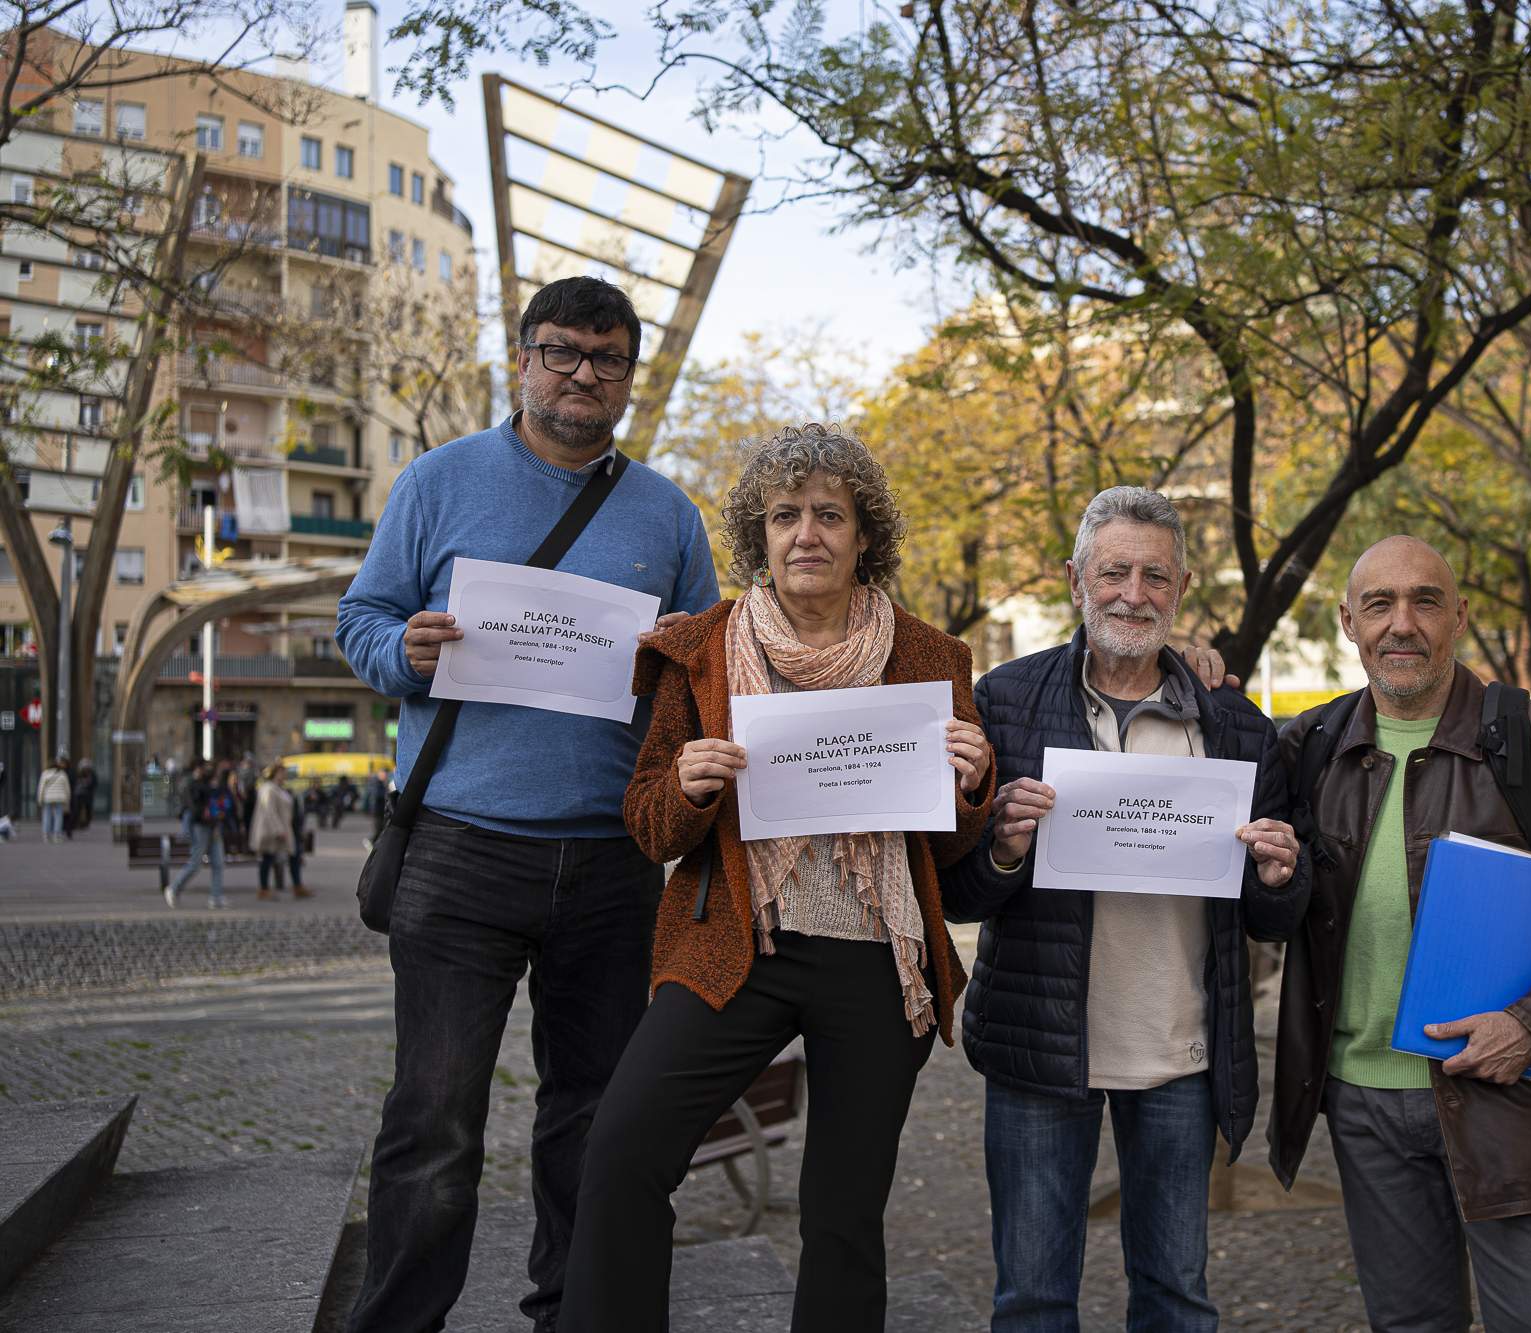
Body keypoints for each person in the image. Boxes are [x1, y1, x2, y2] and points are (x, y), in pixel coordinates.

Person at [335, 275, 719, 1333]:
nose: (581, 374)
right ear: (521, 359)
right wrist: (401, 650)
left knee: (594, 1116)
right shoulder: (439, 479)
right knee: (435, 1118)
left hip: (612, 858)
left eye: (606, 358)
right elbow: (360, 616)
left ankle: (572, 1315)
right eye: (560, 352)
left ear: (629, 378)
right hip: (460, 848)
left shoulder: (666, 512)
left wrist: (678, 678)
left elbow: (708, 667)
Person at [558, 423, 995, 1332]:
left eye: (830, 515)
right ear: (759, 536)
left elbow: (949, 860)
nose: (808, 534)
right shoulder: (702, 646)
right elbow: (646, 821)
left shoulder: (931, 658)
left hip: (881, 964)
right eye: (786, 515)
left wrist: (973, 781)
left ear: (863, 533)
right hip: (735, 945)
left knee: (843, 1218)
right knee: (623, 1152)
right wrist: (680, 788)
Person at [1269, 535, 1531, 1333]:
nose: (1402, 623)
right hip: (1365, 1108)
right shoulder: (1309, 748)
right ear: (1348, 622)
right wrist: (1201, 669)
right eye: (1379, 604)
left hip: (1512, 1109)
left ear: (1459, 615)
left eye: (1425, 600)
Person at [938, 485, 1307, 1332]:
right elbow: (956, 889)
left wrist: (1281, 876)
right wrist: (1002, 847)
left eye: (1154, 575)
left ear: (1181, 588)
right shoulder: (1005, 700)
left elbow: (1271, 920)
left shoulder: (1238, 727)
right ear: (1076, 580)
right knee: (1031, 1300)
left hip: (1180, 1053)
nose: (1132, 593)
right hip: (1039, 1052)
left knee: (1178, 1299)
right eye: (1113, 571)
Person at [166, 760, 229, 908]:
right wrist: (205, 812)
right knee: (195, 863)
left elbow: (222, 799)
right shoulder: (192, 784)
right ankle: (174, 889)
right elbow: (193, 807)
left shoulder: (212, 784)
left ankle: (216, 897)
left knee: (218, 863)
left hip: (214, 827)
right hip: (200, 827)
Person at [251, 764, 299, 901]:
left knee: (285, 856)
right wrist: (278, 829)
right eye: (282, 772)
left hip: (281, 828)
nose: (284, 776)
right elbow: (269, 811)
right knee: (267, 858)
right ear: (275, 773)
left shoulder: (278, 789)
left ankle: (295, 885)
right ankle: (264, 888)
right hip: (270, 830)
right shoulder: (268, 789)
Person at [36, 756, 70, 842]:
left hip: (48, 798)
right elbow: (67, 788)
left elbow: (41, 787)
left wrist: (40, 799)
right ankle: (57, 835)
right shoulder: (62, 774)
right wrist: (67, 799)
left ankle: (46, 835)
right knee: (58, 816)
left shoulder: (45, 774)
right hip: (59, 798)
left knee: (47, 815)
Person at [69, 759, 97, 833]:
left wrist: (89, 788)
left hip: (87, 795)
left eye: (87, 767)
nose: (86, 769)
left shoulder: (92, 774)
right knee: (76, 810)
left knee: (88, 809)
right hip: (78, 795)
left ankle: (86, 823)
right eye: (84, 767)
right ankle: (74, 824)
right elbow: (73, 782)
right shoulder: (77, 774)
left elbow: (94, 783)